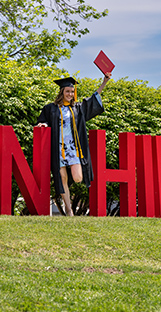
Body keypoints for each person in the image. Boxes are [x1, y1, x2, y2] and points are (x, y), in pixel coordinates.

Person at [36, 73, 111, 216]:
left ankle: (68, 196)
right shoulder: (50, 108)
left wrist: (104, 82)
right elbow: (44, 120)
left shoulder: (77, 108)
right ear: (61, 92)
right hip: (57, 148)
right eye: (67, 91)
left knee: (78, 178)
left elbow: (92, 100)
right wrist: (43, 124)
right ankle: (69, 209)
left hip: (72, 148)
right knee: (62, 177)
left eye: (72, 91)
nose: (70, 94)